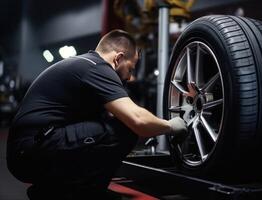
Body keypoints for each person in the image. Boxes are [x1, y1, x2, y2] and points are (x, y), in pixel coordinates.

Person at [6, 29, 187, 200]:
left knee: (110, 123)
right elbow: (138, 120)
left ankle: (54, 189)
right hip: (30, 151)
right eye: (131, 69)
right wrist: (171, 126)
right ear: (118, 58)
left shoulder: (84, 63)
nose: (130, 77)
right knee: (125, 129)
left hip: (30, 149)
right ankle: (81, 193)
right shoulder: (96, 68)